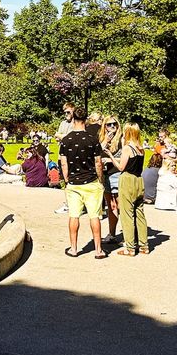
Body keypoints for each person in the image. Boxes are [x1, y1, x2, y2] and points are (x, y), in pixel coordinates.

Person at [59, 106, 106, 258]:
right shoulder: (93, 140)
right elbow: (98, 162)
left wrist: (67, 180)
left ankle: (73, 248)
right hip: (91, 181)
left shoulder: (66, 140)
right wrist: (101, 180)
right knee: (94, 216)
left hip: (73, 183)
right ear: (85, 120)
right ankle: (98, 250)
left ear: (73, 119)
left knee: (74, 215)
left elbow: (64, 163)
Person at [113, 122, 148, 255]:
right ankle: (144, 245)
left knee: (127, 214)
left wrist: (111, 157)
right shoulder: (141, 148)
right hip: (139, 180)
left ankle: (130, 248)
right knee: (140, 213)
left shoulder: (128, 148)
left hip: (128, 180)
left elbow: (121, 167)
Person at [99, 116, 122, 242]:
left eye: (115, 124)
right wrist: (105, 141)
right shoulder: (103, 139)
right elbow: (96, 152)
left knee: (121, 205)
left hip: (117, 173)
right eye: (109, 125)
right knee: (111, 206)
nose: (112, 127)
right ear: (104, 126)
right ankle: (112, 234)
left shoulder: (122, 139)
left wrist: (110, 159)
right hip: (105, 175)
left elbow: (126, 158)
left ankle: (129, 235)